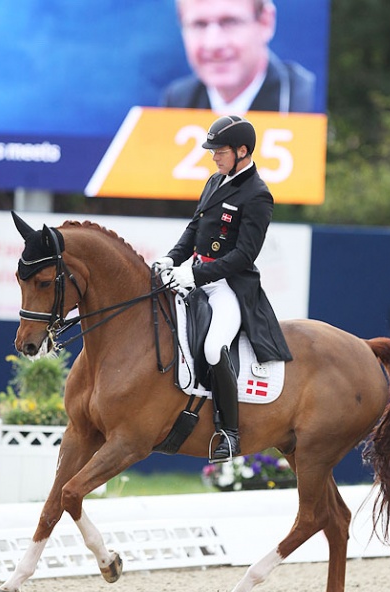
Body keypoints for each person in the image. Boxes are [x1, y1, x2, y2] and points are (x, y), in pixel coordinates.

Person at [153, 115, 292, 462]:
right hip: (199, 275)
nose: (214, 156)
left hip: (229, 286)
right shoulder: (215, 181)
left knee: (215, 348)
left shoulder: (259, 195)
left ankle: (229, 433)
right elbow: (194, 229)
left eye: (220, 151)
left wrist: (198, 276)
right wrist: (173, 259)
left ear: (242, 151)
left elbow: (244, 255)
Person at [161, 0, 315, 114]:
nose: (213, 44)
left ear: (265, 22)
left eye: (230, 22)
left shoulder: (303, 100)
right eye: (199, 24)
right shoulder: (177, 101)